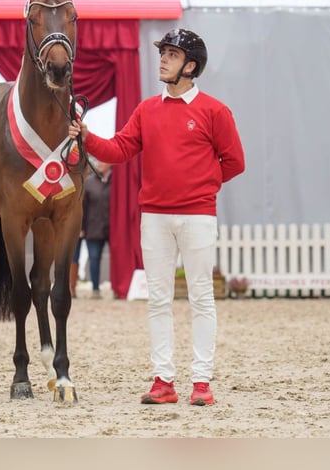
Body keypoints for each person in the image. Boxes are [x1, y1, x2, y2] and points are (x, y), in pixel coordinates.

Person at [68, 28, 245, 407]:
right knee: (158, 300)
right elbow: (118, 149)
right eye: (162, 52)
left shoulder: (215, 111)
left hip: (198, 216)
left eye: (171, 54)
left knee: (201, 298)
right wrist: (85, 135)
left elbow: (235, 162)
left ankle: (201, 383)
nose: (162, 58)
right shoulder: (146, 110)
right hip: (154, 217)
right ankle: (163, 381)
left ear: (190, 66)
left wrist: (200, 185)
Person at [82, 161, 111, 300]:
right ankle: (95, 288)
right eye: (98, 161)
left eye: (103, 161)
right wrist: (82, 227)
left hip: (113, 229)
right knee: (94, 259)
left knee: (117, 259)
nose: (99, 163)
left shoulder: (117, 181)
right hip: (93, 227)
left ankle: (117, 287)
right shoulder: (89, 182)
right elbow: (83, 207)